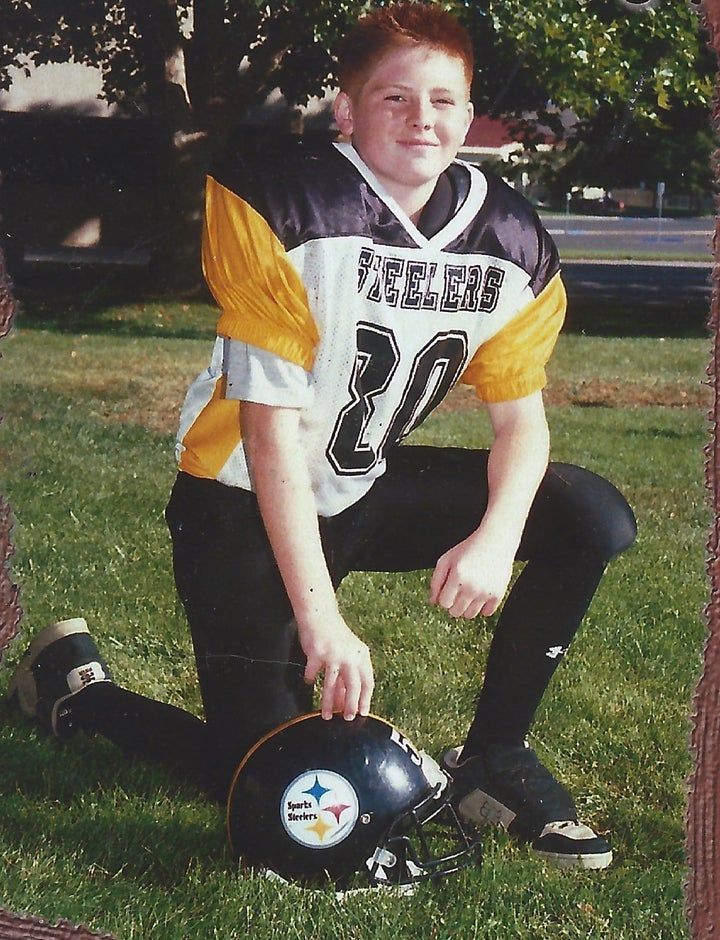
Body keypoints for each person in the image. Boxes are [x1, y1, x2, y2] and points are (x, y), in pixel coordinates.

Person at [8, 2, 636, 871]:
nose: (423, 119)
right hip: (240, 506)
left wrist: (496, 537)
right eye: (395, 98)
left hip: (361, 482)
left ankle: (495, 758)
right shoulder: (288, 202)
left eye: (445, 101)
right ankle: (78, 691)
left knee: (589, 515)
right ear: (346, 110)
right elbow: (269, 434)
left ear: (468, 112)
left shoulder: (509, 236)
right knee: (282, 786)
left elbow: (521, 424)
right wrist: (323, 620)